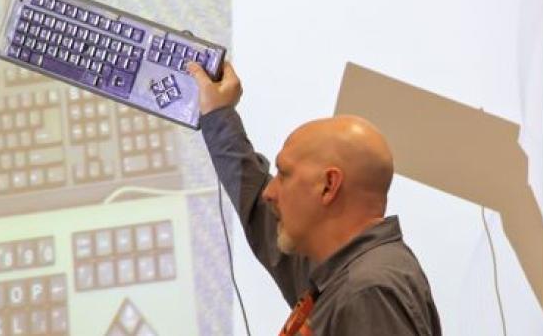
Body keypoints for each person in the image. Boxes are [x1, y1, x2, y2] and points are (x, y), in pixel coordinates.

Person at [187, 60, 442, 335]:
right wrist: (218, 114)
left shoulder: (367, 290)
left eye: (284, 175)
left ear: (328, 186)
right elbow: (258, 211)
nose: (270, 192)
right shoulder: (341, 273)